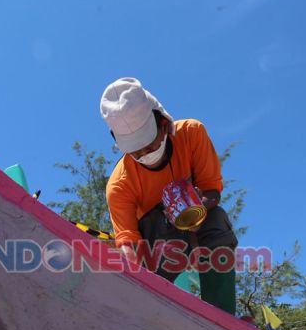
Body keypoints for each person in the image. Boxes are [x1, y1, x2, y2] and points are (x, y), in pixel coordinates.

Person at [100, 77, 238, 314]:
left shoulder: (191, 134)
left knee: (217, 221)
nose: (145, 154)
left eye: (150, 146)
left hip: (199, 216)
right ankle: (144, 313)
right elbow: (129, 243)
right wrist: (134, 279)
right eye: (136, 152)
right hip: (155, 246)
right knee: (143, 296)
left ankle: (222, 312)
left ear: (163, 125)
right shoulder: (119, 185)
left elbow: (212, 189)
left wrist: (194, 214)